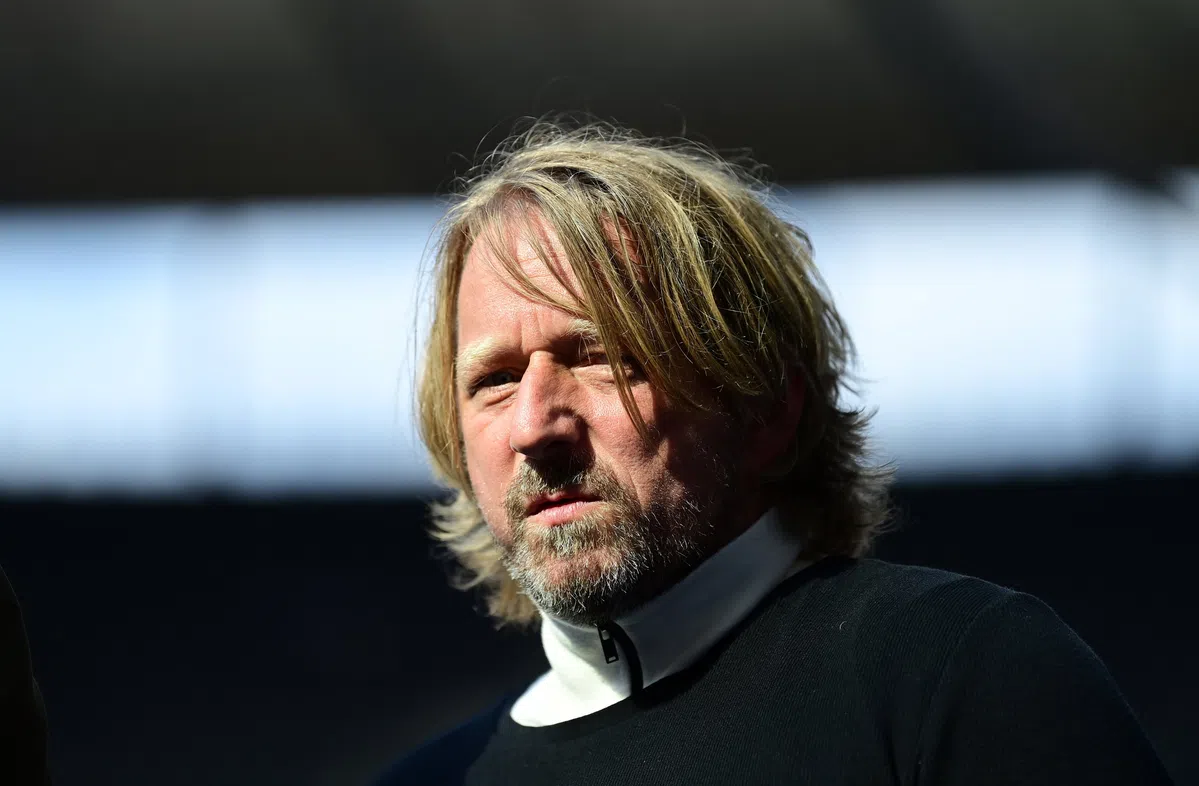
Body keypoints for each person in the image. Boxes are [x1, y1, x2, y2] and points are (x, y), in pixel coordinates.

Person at [374, 121, 1173, 785]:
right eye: (494, 380)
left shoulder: (961, 673)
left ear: (764, 406)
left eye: (601, 357)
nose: (534, 426)